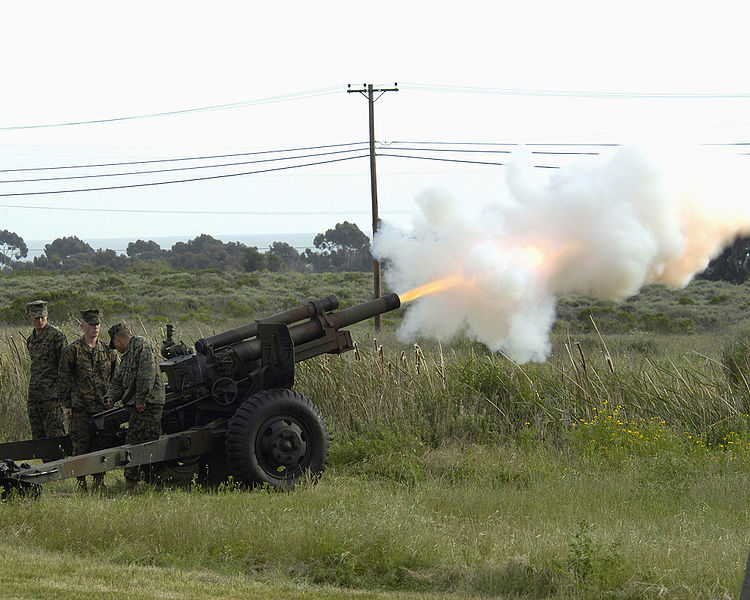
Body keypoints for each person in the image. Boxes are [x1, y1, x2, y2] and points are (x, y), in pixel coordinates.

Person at [58, 309, 118, 493]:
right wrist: (67, 404)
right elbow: (64, 378)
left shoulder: (109, 351)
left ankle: (99, 482)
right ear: (82, 325)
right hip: (80, 408)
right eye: (91, 325)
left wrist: (113, 397)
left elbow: (116, 378)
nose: (95, 328)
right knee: (80, 446)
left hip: (103, 408)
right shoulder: (73, 351)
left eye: (97, 324)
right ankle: (81, 484)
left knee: (102, 446)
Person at [105, 323, 166, 493]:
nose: (116, 349)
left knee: (147, 441)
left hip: (149, 404)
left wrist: (141, 399)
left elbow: (147, 374)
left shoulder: (141, 345)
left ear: (117, 339)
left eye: (114, 345)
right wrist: (110, 396)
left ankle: (154, 484)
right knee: (135, 441)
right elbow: (119, 380)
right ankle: (136, 483)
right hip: (138, 405)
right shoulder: (126, 356)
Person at [25, 300, 67, 440]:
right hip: (35, 396)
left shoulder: (57, 336)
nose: (40, 320)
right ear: (31, 317)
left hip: (52, 396)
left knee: (55, 438)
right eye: (37, 318)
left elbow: (65, 367)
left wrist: (63, 396)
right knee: (38, 438)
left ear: (47, 315)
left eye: (43, 317)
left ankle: (59, 462)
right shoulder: (31, 340)